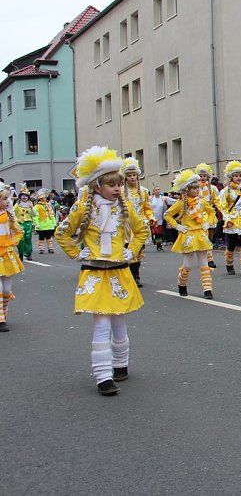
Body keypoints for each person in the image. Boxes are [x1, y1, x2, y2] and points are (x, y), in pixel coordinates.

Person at [55, 146, 148, 395]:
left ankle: (121, 364)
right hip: (95, 273)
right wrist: (76, 253)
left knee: (119, 320)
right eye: (111, 184)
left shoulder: (125, 206)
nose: (117, 188)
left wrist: (133, 250)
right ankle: (103, 376)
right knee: (101, 323)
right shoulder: (83, 208)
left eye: (118, 183)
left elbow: (142, 230)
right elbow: (62, 232)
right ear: (97, 185)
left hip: (119, 271)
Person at [164, 169, 217, 299]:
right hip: (188, 235)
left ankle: (208, 290)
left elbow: (211, 212)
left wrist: (208, 223)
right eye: (193, 188)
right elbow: (167, 215)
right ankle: (181, 284)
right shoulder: (181, 203)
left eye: (197, 188)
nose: (196, 190)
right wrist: (178, 226)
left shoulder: (202, 201)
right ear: (187, 190)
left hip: (200, 234)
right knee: (187, 264)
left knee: (204, 263)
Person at [121, 157, 154, 287]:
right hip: (126, 226)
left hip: (140, 226)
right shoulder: (121, 191)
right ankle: (128, 275)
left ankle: (136, 276)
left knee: (138, 252)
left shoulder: (144, 191)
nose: (132, 178)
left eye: (134, 175)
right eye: (129, 175)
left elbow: (147, 208)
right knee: (126, 250)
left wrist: (150, 218)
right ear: (125, 177)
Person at [219, 160, 241, 276]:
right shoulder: (226, 191)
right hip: (232, 219)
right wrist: (227, 219)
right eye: (235, 176)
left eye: (240, 175)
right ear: (231, 177)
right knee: (232, 243)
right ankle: (229, 264)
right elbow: (223, 206)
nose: (238, 178)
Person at [0, 183, 24, 332]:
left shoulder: (9, 216)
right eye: (4, 199)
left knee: (7, 290)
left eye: (8, 198)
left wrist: (12, 242)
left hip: (7, 254)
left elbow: (19, 231)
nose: (7, 201)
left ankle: (4, 313)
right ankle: (0, 319)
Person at [196, 163, 221, 268]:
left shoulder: (213, 189)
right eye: (200, 176)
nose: (202, 178)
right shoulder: (195, 188)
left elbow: (217, 201)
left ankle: (208, 257)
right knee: (204, 237)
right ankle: (208, 259)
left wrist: (223, 211)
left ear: (208, 177)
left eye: (204, 176)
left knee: (210, 237)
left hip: (209, 215)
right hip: (198, 215)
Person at [33, 189, 58, 254]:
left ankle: (50, 248)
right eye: (44, 198)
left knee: (49, 237)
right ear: (40, 199)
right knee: (41, 237)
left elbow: (52, 215)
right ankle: (41, 248)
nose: (45, 198)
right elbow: (35, 216)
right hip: (41, 225)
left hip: (49, 224)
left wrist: (54, 222)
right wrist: (37, 224)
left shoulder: (48, 205)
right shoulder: (36, 206)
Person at [13, 191, 33, 261]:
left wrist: (32, 208)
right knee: (21, 239)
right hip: (20, 223)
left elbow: (34, 215)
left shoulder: (30, 205)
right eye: (22, 195)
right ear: (20, 197)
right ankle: (21, 253)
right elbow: (12, 212)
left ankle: (29, 253)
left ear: (28, 197)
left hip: (28, 223)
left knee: (28, 238)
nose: (24, 197)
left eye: (26, 195)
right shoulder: (17, 205)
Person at [149, 186, 166, 251]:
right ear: (153, 192)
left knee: (158, 232)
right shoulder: (150, 198)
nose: (157, 191)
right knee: (149, 232)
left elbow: (173, 201)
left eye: (159, 189)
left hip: (160, 218)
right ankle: (142, 245)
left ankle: (159, 245)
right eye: (156, 190)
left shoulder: (163, 198)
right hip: (151, 218)